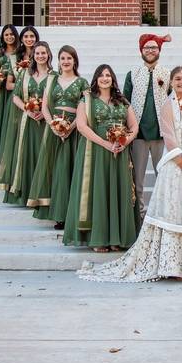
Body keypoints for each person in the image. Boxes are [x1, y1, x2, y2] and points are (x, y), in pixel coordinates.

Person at [77, 66, 182, 282]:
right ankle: (173, 266)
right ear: (171, 83)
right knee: (175, 215)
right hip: (176, 169)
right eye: (178, 79)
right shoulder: (167, 106)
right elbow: (170, 142)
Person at [63, 64, 140, 252]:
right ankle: (98, 239)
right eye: (101, 75)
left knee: (118, 191)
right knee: (98, 191)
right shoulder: (86, 100)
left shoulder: (122, 101)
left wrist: (125, 141)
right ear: (96, 79)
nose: (105, 78)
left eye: (108, 75)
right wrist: (105, 144)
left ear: (113, 79)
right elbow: (81, 126)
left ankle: (118, 238)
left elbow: (134, 126)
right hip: (95, 152)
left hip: (119, 153)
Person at [30, 46, 89, 227]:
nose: (66, 61)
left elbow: (86, 107)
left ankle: (71, 213)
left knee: (71, 169)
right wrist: (54, 126)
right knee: (56, 170)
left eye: (69, 58)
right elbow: (45, 107)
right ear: (59, 61)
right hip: (54, 130)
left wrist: (71, 127)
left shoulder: (82, 82)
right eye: (63, 58)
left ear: (75, 61)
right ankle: (58, 213)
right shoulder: (51, 80)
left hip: (74, 130)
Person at [0, 41, 53, 206]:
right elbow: (15, 96)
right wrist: (27, 110)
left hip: (45, 121)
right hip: (27, 121)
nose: (41, 56)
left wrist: (44, 111)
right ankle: (25, 193)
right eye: (38, 53)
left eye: (44, 53)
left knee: (42, 154)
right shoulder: (25, 74)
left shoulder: (54, 75)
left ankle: (39, 194)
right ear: (33, 55)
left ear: (48, 55)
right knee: (27, 154)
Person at [123, 33, 172, 221]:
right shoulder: (133, 74)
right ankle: (139, 212)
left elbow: (173, 100)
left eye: (154, 48)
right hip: (139, 134)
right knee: (138, 178)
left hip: (161, 133)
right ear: (141, 51)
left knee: (163, 175)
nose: (150, 51)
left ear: (159, 50)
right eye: (147, 48)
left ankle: (162, 212)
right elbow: (125, 102)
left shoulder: (167, 74)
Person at [0, 24, 20, 171]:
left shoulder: (19, 53)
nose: (9, 37)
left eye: (11, 34)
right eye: (6, 34)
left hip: (14, 91)